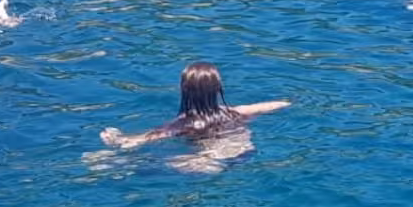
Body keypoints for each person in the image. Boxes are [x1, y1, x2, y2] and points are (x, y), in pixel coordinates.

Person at [99, 61, 289, 152]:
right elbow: (271, 106)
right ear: (218, 88)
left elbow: (143, 139)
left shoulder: (182, 125)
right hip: (244, 153)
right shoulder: (236, 113)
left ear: (184, 89)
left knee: (147, 167)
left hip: (209, 161)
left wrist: (118, 138)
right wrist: (287, 102)